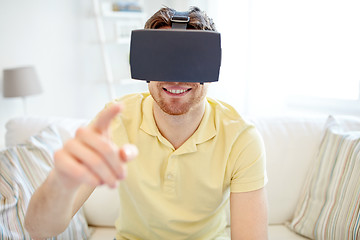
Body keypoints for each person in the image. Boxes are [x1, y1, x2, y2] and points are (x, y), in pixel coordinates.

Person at [25, 6, 268, 240]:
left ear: (211, 65)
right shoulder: (116, 119)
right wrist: (60, 182)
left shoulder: (241, 137)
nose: (175, 77)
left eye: (189, 60)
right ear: (144, 63)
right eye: (163, 58)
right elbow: (38, 230)